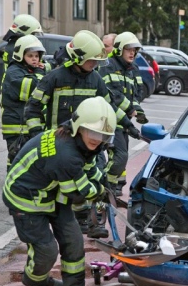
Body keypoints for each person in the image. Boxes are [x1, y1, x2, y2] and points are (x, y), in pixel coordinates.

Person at [4, 96, 116, 286]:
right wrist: (99, 191)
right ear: (78, 127)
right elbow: (77, 192)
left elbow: (88, 167)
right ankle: (35, 279)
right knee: (46, 251)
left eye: (103, 135)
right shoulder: (65, 154)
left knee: (73, 241)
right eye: (93, 132)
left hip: (53, 194)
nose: (97, 139)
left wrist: (99, 180)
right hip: (26, 199)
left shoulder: (81, 143)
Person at [25, 30, 140, 236]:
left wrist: (127, 125)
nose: (94, 65)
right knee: (66, 187)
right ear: (78, 58)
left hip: (90, 143)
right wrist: (37, 135)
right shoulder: (55, 78)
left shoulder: (95, 79)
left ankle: (95, 221)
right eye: (91, 61)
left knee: (98, 179)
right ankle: (74, 219)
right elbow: (32, 108)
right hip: (60, 145)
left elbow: (110, 106)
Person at [99, 32, 148, 201]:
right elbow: (113, 95)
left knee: (120, 156)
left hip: (123, 120)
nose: (132, 53)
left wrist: (138, 110)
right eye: (129, 49)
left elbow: (138, 93)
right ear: (119, 49)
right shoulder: (107, 66)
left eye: (134, 50)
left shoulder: (133, 69)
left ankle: (111, 188)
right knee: (120, 156)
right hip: (109, 119)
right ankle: (104, 186)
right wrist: (130, 110)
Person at [0, 35, 46, 170]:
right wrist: (40, 72)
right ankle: (13, 186)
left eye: (36, 56)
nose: (34, 59)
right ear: (20, 55)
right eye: (30, 55)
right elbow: (36, 89)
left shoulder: (28, 70)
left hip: (25, 126)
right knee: (17, 159)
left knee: (26, 160)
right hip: (17, 127)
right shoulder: (14, 73)